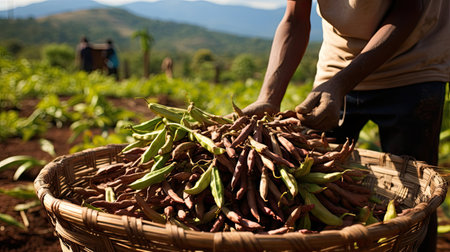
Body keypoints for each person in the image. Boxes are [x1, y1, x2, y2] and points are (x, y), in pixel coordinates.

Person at [242, 0, 449, 250]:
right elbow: (295, 20)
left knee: (417, 198)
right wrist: (269, 97)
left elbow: (408, 10)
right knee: (316, 182)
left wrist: (341, 84)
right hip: (339, 61)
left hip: (414, 61)